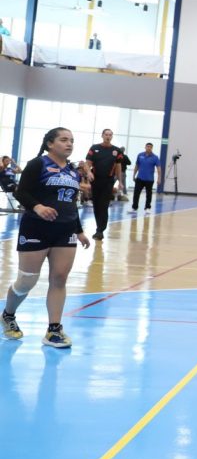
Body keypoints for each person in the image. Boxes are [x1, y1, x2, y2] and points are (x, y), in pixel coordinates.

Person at [1, 128, 91, 347]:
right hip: (36, 228)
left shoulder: (73, 171)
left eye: (71, 140)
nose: (69, 144)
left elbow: (71, 203)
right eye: (63, 140)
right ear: (50, 143)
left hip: (65, 231)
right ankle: (8, 314)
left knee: (59, 278)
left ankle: (54, 330)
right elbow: (21, 192)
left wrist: (79, 231)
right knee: (27, 281)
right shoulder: (38, 164)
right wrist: (38, 206)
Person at [85, 128, 123, 240]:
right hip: (96, 181)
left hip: (108, 181)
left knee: (104, 205)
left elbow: (118, 167)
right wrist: (88, 172)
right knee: (96, 205)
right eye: (106, 134)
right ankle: (98, 227)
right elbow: (87, 164)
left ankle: (100, 230)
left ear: (112, 137)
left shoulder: (116, 151)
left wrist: (120, 182)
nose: (108, 136)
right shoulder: (94, 148)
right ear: (102, 135)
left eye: (110, 135)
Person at [131, 142, 161, 212]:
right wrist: (134, 175)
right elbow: (137, 166)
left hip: (149, 179)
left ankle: (147, 207)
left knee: (149, 194)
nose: (149, 148)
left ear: (152, 148)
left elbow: (159, 168)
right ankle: (134, 207)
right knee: (136, 193)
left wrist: (159, 178)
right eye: (147, 146)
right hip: (139, 178)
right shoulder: (140, 155)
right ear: (145, 147)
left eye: (150, 147)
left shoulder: (155, 157)